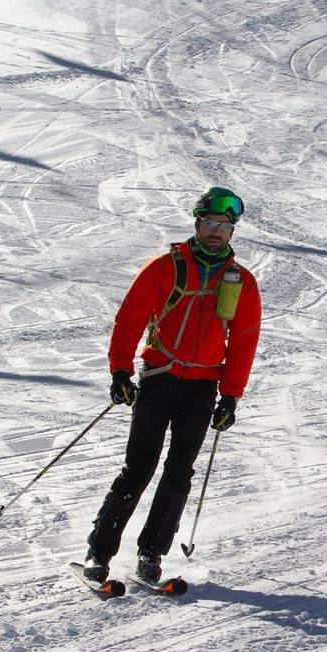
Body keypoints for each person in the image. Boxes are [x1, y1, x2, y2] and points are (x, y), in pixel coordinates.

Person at [83, 186, 261, 584]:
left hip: (201, 390)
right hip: (159, 380)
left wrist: (230, 396)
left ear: (233, 232)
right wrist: (119, 372)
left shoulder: (241, 282)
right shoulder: (166, 266)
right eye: (210, 223)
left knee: (179, 472)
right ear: (197, 222)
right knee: (138, 468)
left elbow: (244, 340)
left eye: (225, 226)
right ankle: (99, 552)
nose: (216, 232)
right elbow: (129, 318)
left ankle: (151, 553)